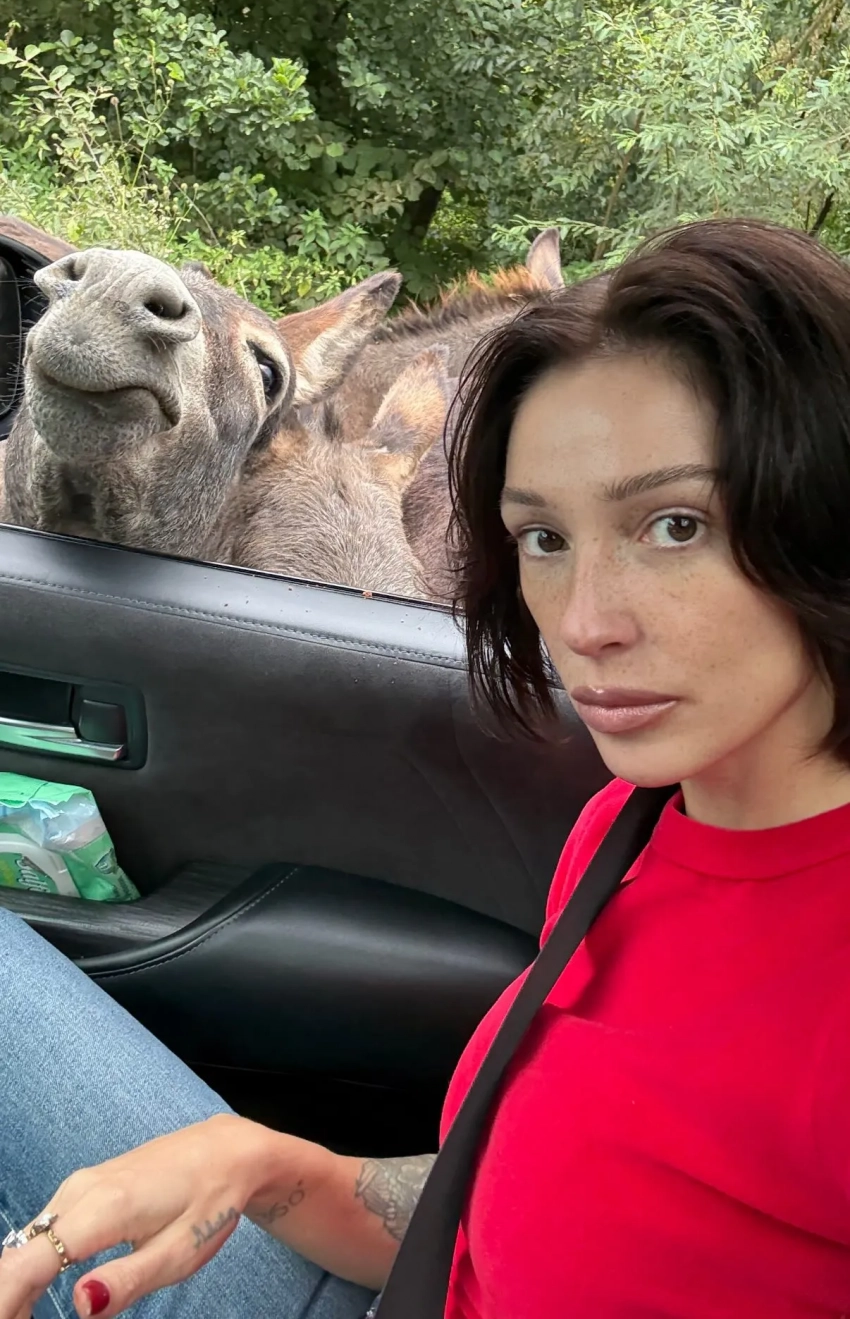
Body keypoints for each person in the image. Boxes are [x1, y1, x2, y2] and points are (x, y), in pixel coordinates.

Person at [3, 216, 850, 1319]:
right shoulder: (632, 824)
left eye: (675, 523)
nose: (583, 624)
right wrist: (272, 1167)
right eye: (544, 538)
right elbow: (515, 1191)